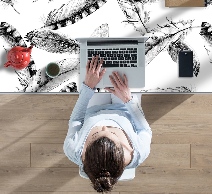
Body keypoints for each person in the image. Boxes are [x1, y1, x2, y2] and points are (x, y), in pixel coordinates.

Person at [64, 55, 152, 192]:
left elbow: (76, 120)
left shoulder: (73, 150)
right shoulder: (140, 152)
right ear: (124, 150)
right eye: (112, 133)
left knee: (93, 70)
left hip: (93, 109)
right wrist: (128, 99)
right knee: (127, 65)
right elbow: (144, 130)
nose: (104, 126)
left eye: (96, 134)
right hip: (125, 108)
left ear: (85, 152)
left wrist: (88, 87)